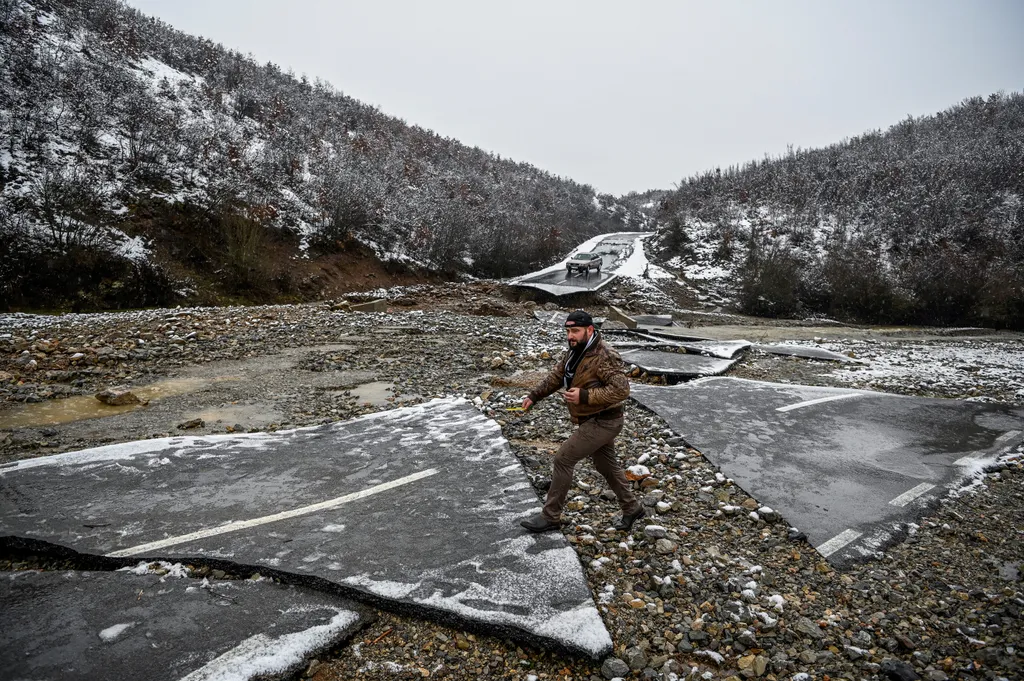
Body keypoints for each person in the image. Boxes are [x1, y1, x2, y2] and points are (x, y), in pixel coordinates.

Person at [519, 310, 645, 533]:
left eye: (575, 331)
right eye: (568, 331)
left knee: (563, 459)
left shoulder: (605, 355)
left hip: (605, 421)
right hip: (591, 420)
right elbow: (557, 376)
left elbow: (622, 390)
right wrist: (534, 396)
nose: (570, 335)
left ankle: (550, 517)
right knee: (605, 465)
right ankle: (632, 508)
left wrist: (585, 396)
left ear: (589, 330)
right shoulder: (575, 352)